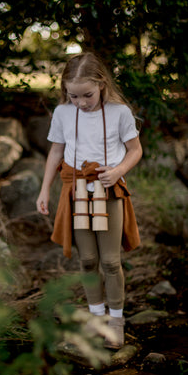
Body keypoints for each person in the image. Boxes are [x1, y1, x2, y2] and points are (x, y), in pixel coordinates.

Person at [36, 52, 142, 348]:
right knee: (87, 260)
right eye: (73, 96)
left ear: (102, 84)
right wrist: (45, 190)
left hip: (108, 189)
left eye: (87, 95)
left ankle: (116, 322)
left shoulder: (120, 112)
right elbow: (56, 152)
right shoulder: (63, 113)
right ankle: (95, 320)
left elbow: (135, 150)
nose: (81, 103)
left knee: (109, 261)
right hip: (74, 190)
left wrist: (119, 170)